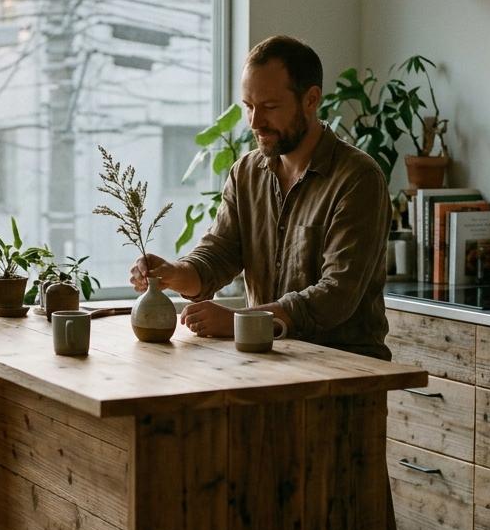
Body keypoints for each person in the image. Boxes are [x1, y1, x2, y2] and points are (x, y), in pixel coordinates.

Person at [129, 34, 392, 359]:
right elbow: (220, 254)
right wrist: (173, 273)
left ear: (311, 100)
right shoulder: (247, 173)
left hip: (347, 376)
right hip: (268, 364)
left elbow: (336, 295)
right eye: (249, 107)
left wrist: (241, 321)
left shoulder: (358, 178)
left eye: (269, 107)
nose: (255, 122)